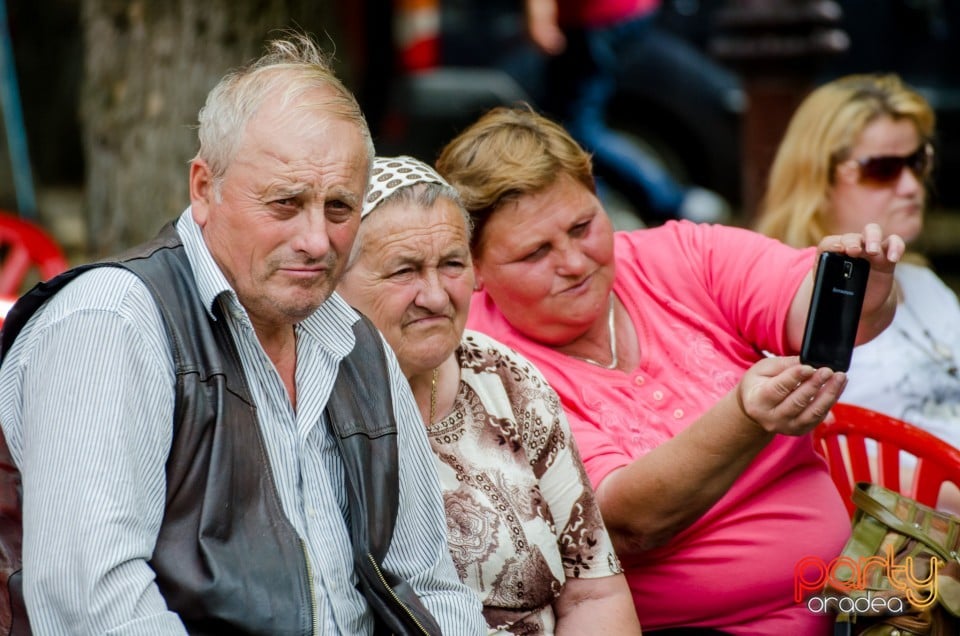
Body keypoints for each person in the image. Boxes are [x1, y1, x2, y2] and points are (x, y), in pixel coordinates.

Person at [0, 34, 484, 635]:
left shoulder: (355, 342)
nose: (316, 239)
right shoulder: (114, 321)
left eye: (339, 208)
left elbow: (429, 585)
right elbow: (92, 603)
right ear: (204, 189)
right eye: (285, 203)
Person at [434, 105, 904, 634]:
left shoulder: (676, 255)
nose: (574, 260)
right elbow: (628, 521)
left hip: (845, 597)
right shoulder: (483, 365)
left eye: (583, 226)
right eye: (535, 252)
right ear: (471, 270)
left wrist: (868, 288)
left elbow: (807, 307)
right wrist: (745, 416)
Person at [337, 155, 642, 634]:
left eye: (452, 264)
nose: (436, 295)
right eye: (404, 271)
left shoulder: (504, 378)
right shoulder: (309, 404)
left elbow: (593, 592)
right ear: (336, 282)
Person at [756, 73, 960, 451]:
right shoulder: (786, 307)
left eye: (918, 161)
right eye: (883, 169)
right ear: (818, 177)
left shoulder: (922, 282)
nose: (912, 185)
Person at [524, 0, 731, 224]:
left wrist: (540, 16)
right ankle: (598, 207)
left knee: (576, 131)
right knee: (569, 125)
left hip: (598, 19)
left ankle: (671, 199)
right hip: (614, 15)